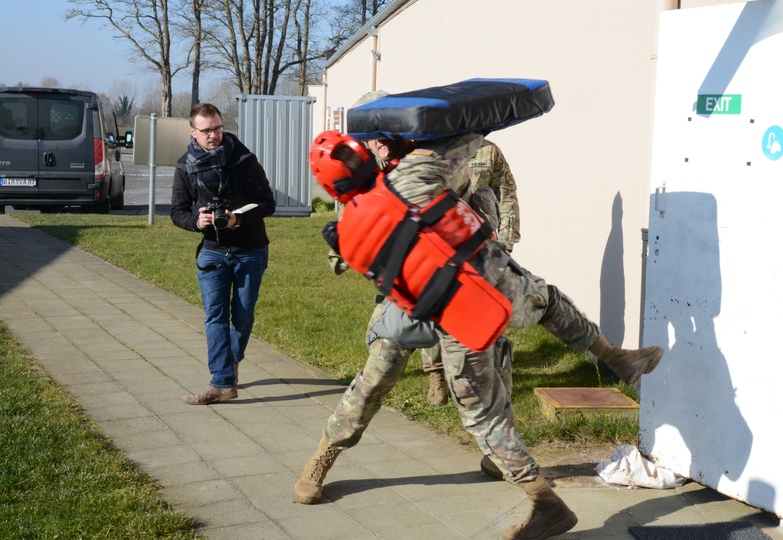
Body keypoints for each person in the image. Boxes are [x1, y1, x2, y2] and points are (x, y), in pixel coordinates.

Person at [296, 126, 663, 540]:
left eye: (383, 137)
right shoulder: (391, 181)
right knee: (374, 383)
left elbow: (495, 195)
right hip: (410, 304)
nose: (377, 145)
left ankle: (507, 461)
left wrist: (492, 240)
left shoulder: (426, 163)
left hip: (470, 287)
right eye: (371, 141)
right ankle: (323, 457)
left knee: (509, 357)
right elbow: (344, 254)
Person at [170, 103, 276, 405]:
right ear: (193, 132)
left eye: (218, 128)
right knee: (215, 317)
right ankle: (222, 382)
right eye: (206, 131)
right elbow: (177, 212)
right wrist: (196, 221)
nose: (214, 135)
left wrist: (237, 219)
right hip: (213, 252)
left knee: (242, 318)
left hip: (250, 250)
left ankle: (229, 368)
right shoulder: (185, 166)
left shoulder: (244, 160)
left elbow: (267, 203)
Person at [422, 138, 520, 407]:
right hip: (443, 242)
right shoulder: (434, 148)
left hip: (482, 244)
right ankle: (436, 376)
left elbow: (507, 193)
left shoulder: (489, 151)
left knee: (491, 311)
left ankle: (496, 381)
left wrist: (508, 240)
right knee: (436, 308)